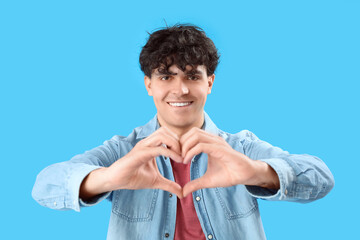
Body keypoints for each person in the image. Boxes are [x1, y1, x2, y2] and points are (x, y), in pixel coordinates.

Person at [32, 24, 334, 240]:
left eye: (192, 76)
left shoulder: (238, 148)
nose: (182, 89)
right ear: (149, 84)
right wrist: (109, 178)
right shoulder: (125, 152)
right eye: (166, 76)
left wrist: (255, 172)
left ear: (210, 83)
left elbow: (321, 178)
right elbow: (44, 187)